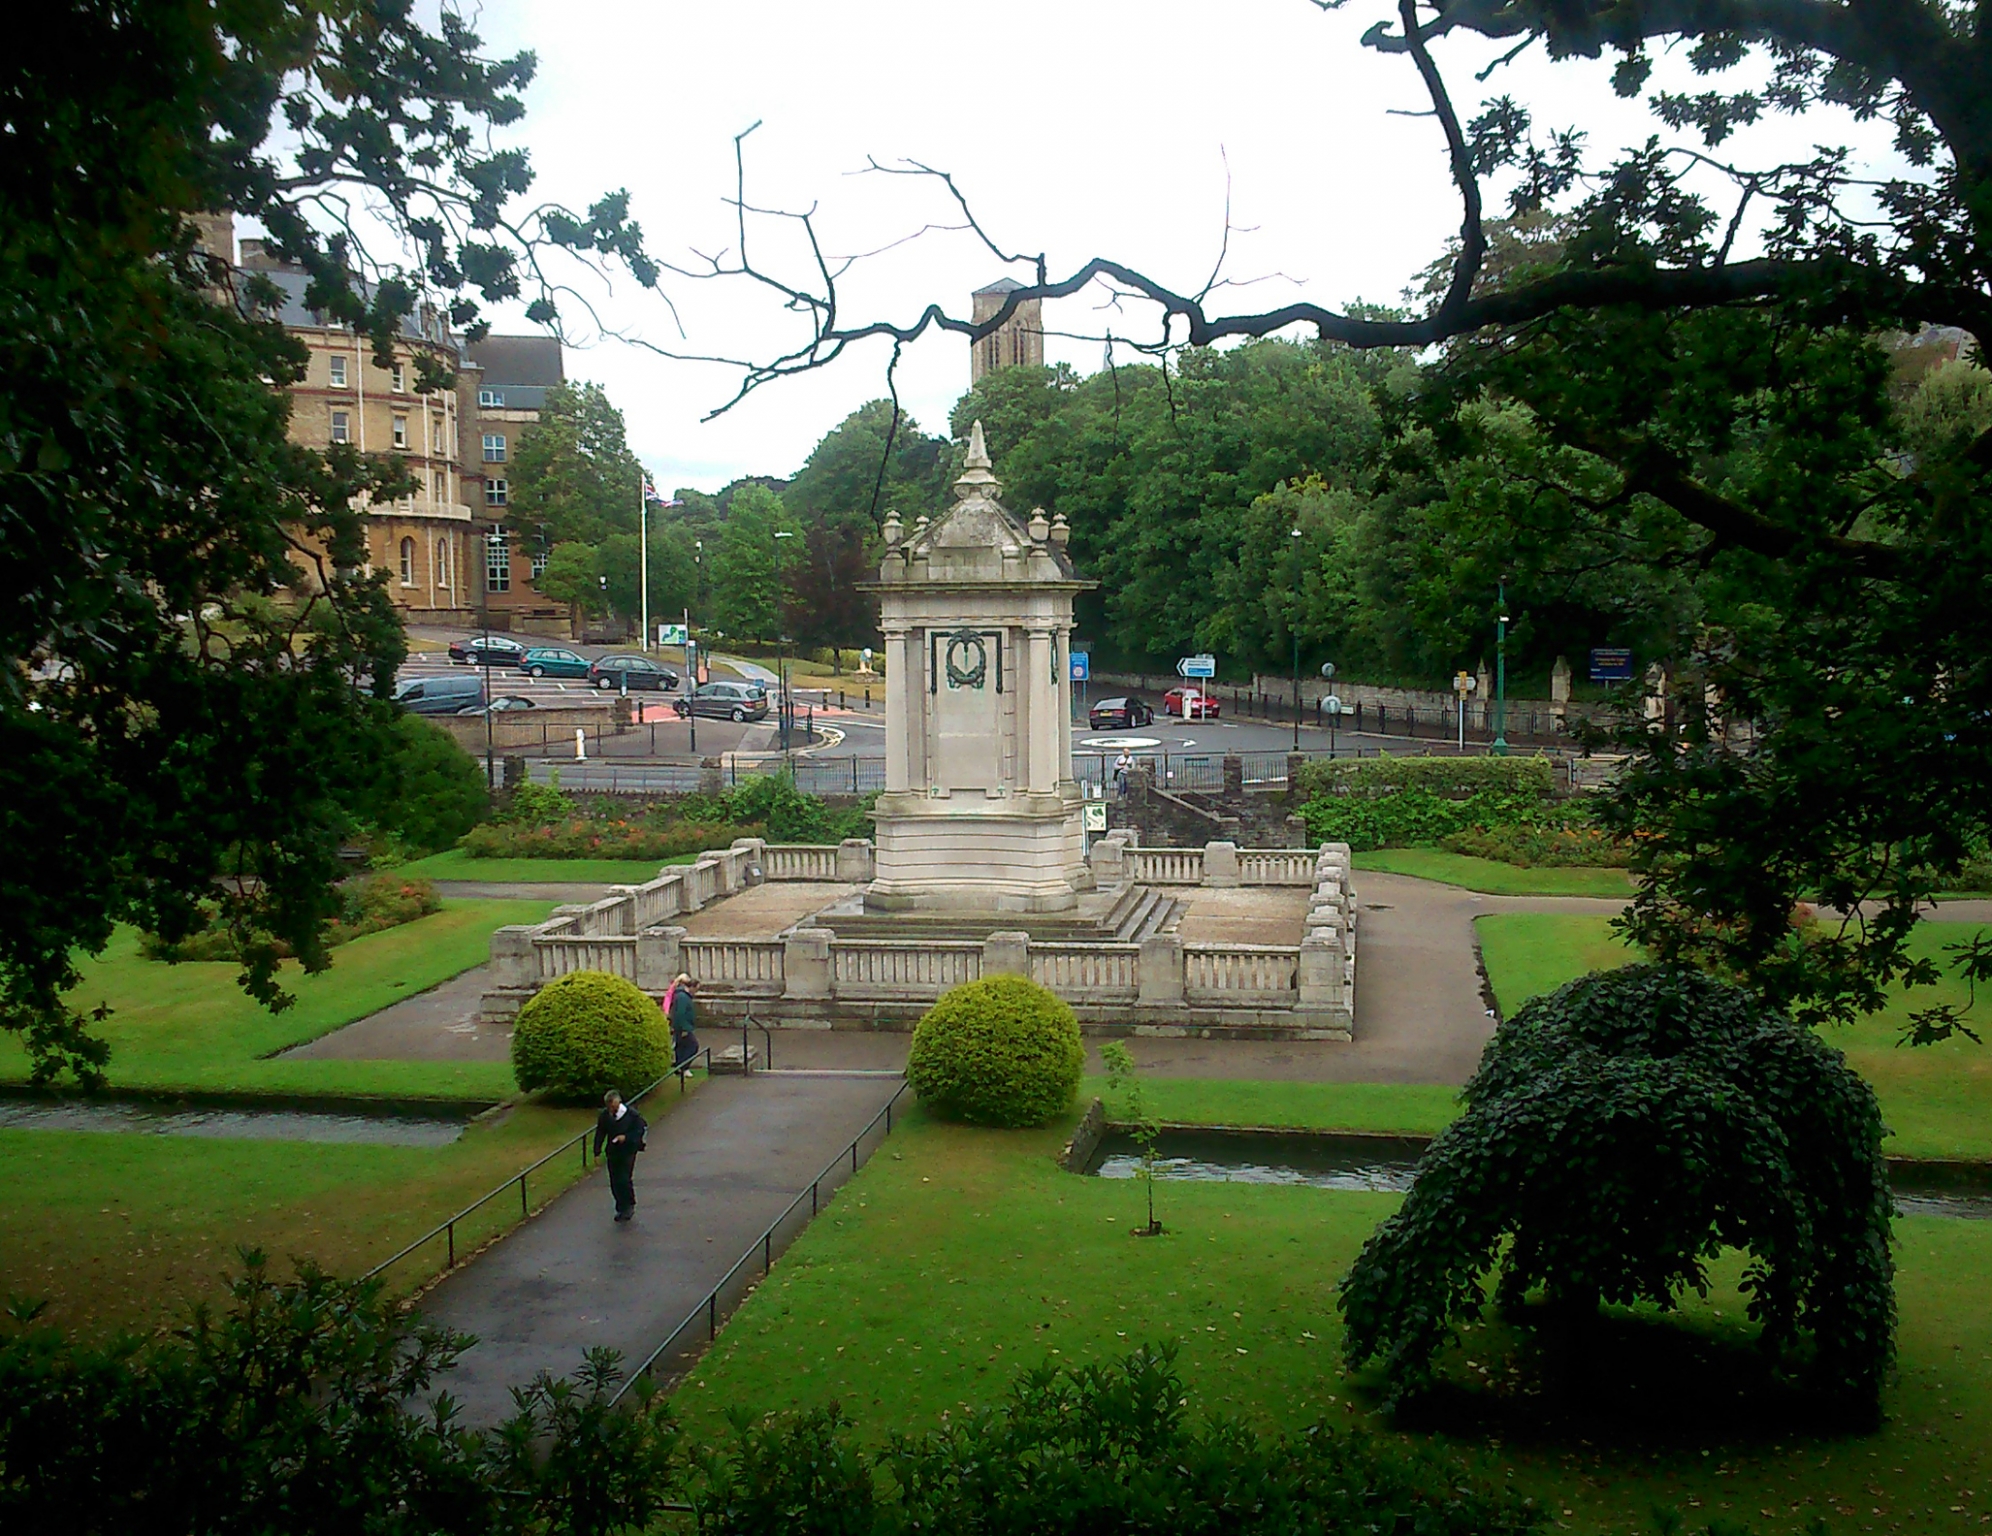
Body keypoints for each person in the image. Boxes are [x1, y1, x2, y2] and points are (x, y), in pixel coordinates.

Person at [593, 1089, 647, 1222]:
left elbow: (640, 1130)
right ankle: (620, 1207)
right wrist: (597, 1151)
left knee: (624, 1178)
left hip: (628, 1150)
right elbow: (600, 1133)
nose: (611, 1110)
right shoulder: (605, 1116)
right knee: (614, 1180)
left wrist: (626, 1137)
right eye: (609, 1107)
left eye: (613, 1107)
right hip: (613, 1151)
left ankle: (628, 1205)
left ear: (618, 1103)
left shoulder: (632, 1116)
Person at [668, 972, 700, 1069]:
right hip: (683, 1028)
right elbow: (680, 1014)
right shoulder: (683, 997)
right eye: (696, 989)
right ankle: (682, 1066)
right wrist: (685, 1028)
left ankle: (680, 1067)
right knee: (693, 1046)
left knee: (681, 1047)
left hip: (680, 1027)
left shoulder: (681, 996)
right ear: (692, 987)